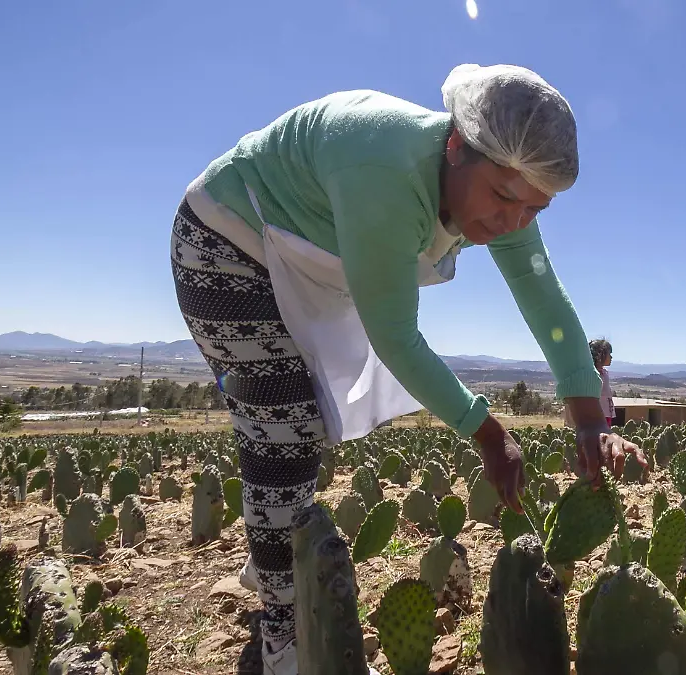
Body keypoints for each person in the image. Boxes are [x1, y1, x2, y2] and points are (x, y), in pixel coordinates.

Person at [169, 63, 647, 674]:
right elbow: (394, 336)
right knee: (284, 428)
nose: (511, 223)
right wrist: (489, 432)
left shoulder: (502, 190)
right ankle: (284, 634)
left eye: (536, 208)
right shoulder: (383, 170)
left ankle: (277, 552)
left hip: (309, 260)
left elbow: (544, 300)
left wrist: (589, 421)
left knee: (299, 424)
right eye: (503, 197)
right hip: (226, 241)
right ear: (455, 145)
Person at [590, 338, 615, 425]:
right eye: (609, 354)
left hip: (607, 412)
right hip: (597, 415)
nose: (611, 357)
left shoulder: (604, 373)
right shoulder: (593, 374)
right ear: (601, 355)